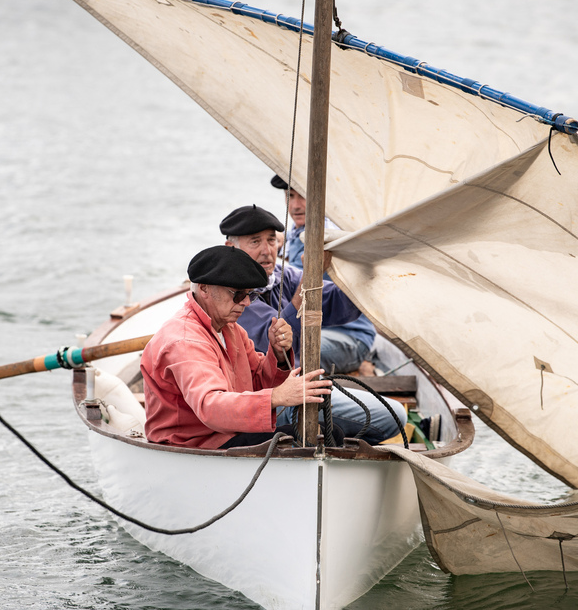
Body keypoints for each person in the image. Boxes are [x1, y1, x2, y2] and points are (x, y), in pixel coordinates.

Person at [220, 204, 407, 444]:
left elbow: (337, 304)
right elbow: (283, 337)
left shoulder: (281, 275)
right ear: (231, 248)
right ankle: (328, 448)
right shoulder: (232, 294)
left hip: (300, 388)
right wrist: (310, 276)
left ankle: (327, 447)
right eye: (255, 242)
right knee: (395, 416)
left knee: (387, 416)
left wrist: (363, 265)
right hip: (272, 402)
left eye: (271, 240)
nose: (267, 250)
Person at [140, 245, 340, 449]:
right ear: (204, 288)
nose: (245, 302)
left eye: (250, 295)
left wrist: (278, 354)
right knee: (321, 438)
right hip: (194, 443)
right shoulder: (185, 340)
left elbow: (256, 381)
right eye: (237, 294)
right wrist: (277, 396)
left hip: (226, 432)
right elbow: (210, 406)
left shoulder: (231, 328)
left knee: (331, 433)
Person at [272, 174, 377, 375]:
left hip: (350, 336)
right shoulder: (298, 233)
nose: (295, 205)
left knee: (292, 354)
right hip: (318, 331)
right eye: (289, 196)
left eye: (302, 196)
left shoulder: (326, 236)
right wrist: (278, 241)